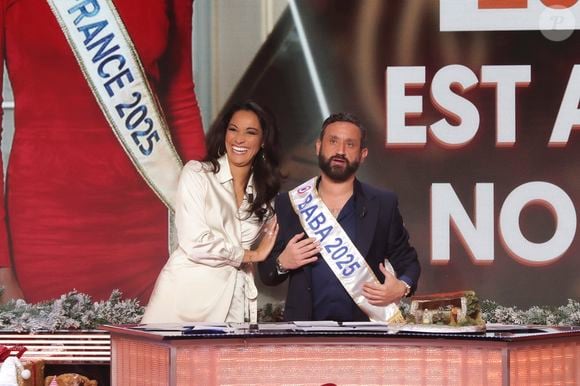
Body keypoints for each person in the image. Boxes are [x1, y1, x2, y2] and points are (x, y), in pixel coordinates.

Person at [0, 0, 206, 304]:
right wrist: (1, 266)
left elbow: (179, 99)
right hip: (45, 230)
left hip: (151, 226)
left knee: (150, 350)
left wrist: (208, 217)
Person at [259, 112, 420, 322]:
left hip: (365, 335)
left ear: (363, 154)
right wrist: (283, 262)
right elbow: (266, 271)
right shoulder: (288, 204)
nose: (340, 151)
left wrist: (401, 287)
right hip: (304, 334)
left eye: (350, 144)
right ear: (318, 147)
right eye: (333, 141)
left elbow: (408, 261)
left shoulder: (382, 204)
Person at [142, 101, 282, 323]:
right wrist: (250, 255)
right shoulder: (198, 174)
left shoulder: (264, 194)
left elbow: (272, 244)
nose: (239, 139)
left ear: (263, 140)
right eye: (233, 129)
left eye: (250, 132)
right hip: (185, 298)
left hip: (234, 301)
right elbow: (195, 243)